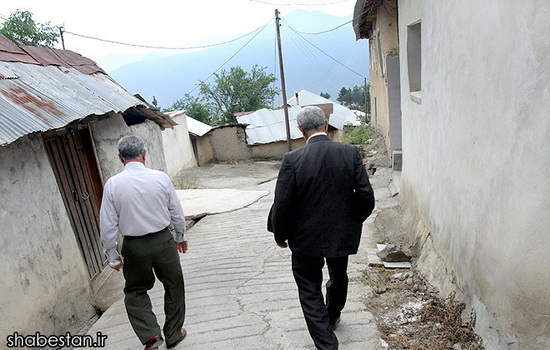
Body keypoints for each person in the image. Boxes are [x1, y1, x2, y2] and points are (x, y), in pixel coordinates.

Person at [268, 106, 375, 350]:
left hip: (305, 238)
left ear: (301, 130)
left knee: (309, 289)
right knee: (339, 276)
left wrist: (280, 234)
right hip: (340, 234)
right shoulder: (349, 152)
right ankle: (333, 314)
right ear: (326, 125)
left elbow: (282, 202)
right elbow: (366, 195)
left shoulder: (292, 160)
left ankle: (327, 344)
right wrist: (352, 221)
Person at [99, 135, 188, 350]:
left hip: (134, 246)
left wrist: (112, 256)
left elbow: (107, 225)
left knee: (135, 291)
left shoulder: (113, 185)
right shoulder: (160, 178)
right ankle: (174, 333)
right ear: (144, 154)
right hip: (163, 241)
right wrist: (180, 236)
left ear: (120, 158)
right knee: (174, 285)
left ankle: (151, 336)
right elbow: (176, 211)